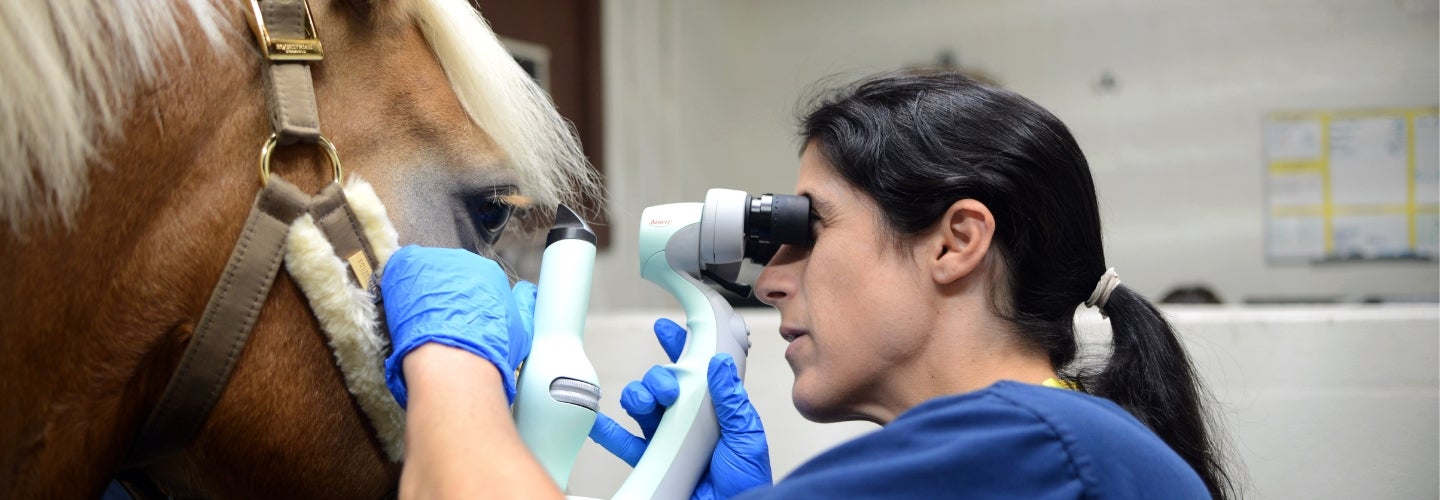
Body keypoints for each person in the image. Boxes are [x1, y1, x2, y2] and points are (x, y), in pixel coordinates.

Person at [380, 70, 1234, 499]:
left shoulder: (1030, 447)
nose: (772, 282)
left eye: (809, 229)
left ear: (956, 242)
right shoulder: (1048, 445)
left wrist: (455, 365)